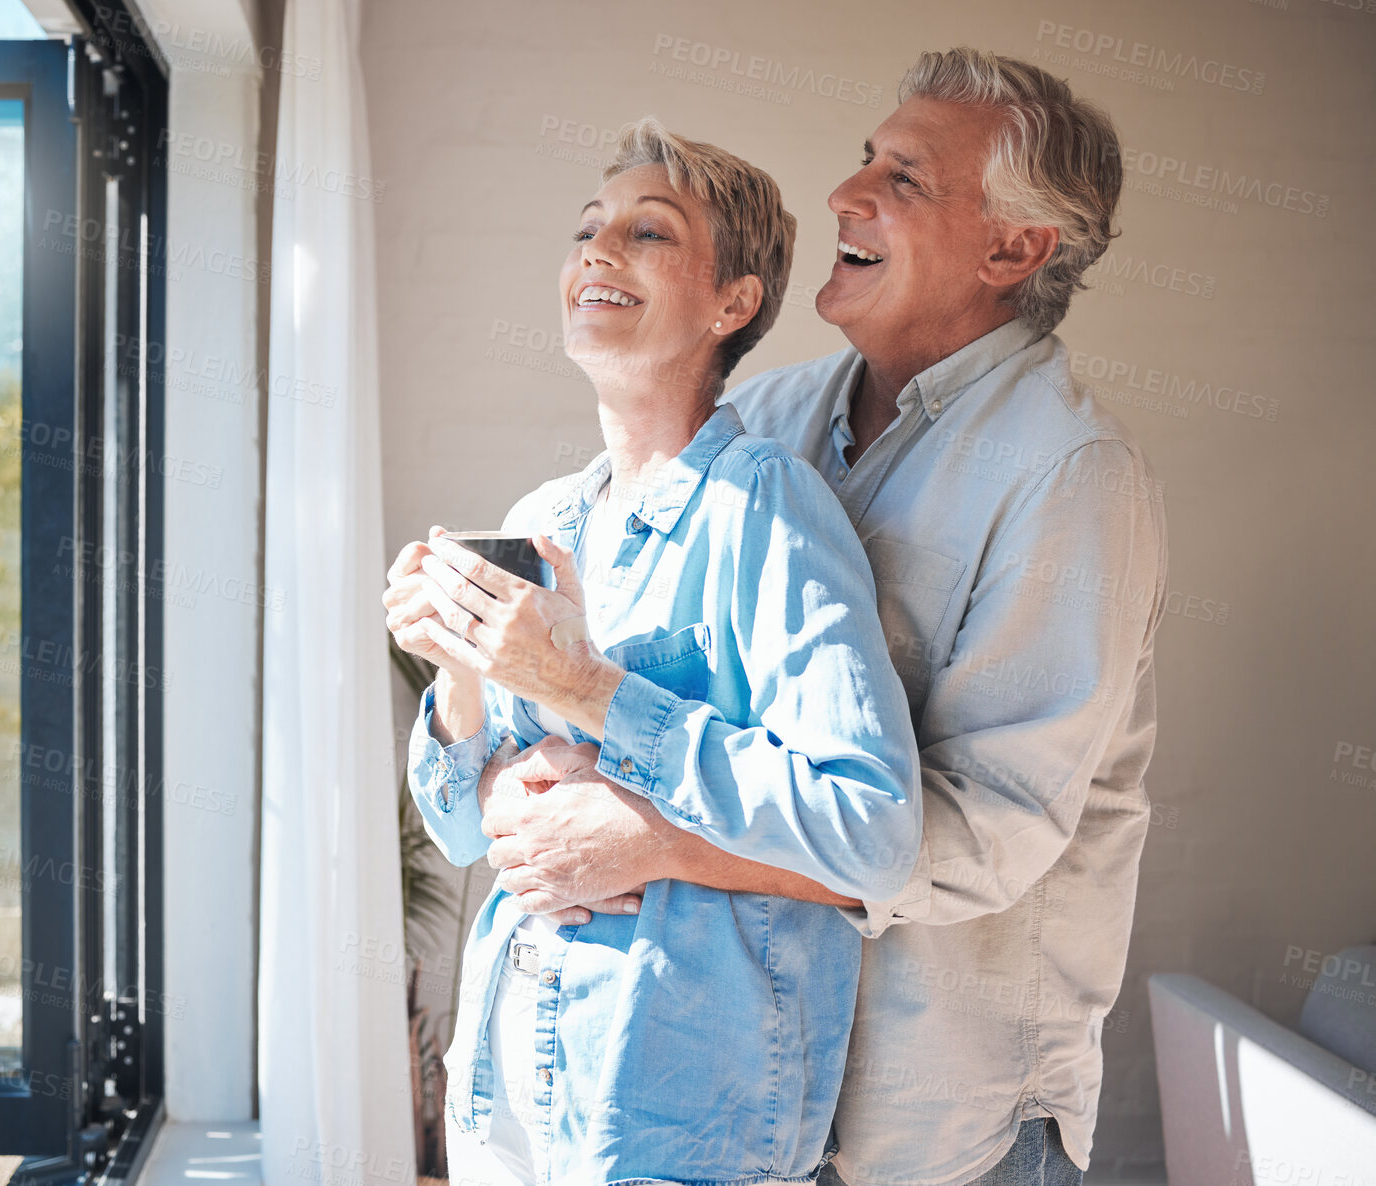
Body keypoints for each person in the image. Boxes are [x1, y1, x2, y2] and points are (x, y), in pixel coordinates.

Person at [479, 49, 1168, 1186]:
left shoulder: (1069, 473)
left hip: (944, 1124)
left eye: (902, 179)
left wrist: (659, 841)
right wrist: (519, 771)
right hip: (757, 1097)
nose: (846, 196)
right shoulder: (768, 418)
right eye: (863, 161)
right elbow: (648, 678)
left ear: (1011, 248)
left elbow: (988, 827)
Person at [383, 119, 920, 1185]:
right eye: (588, 229)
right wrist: (454, 664)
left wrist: (579, 689)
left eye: (645, 232)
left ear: (732, 303)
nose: (596, 250)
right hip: (507, 1116)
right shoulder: (544, 518)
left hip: (678, 1132)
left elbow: (870, 827)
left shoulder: (763, 508)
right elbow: (455, 828)